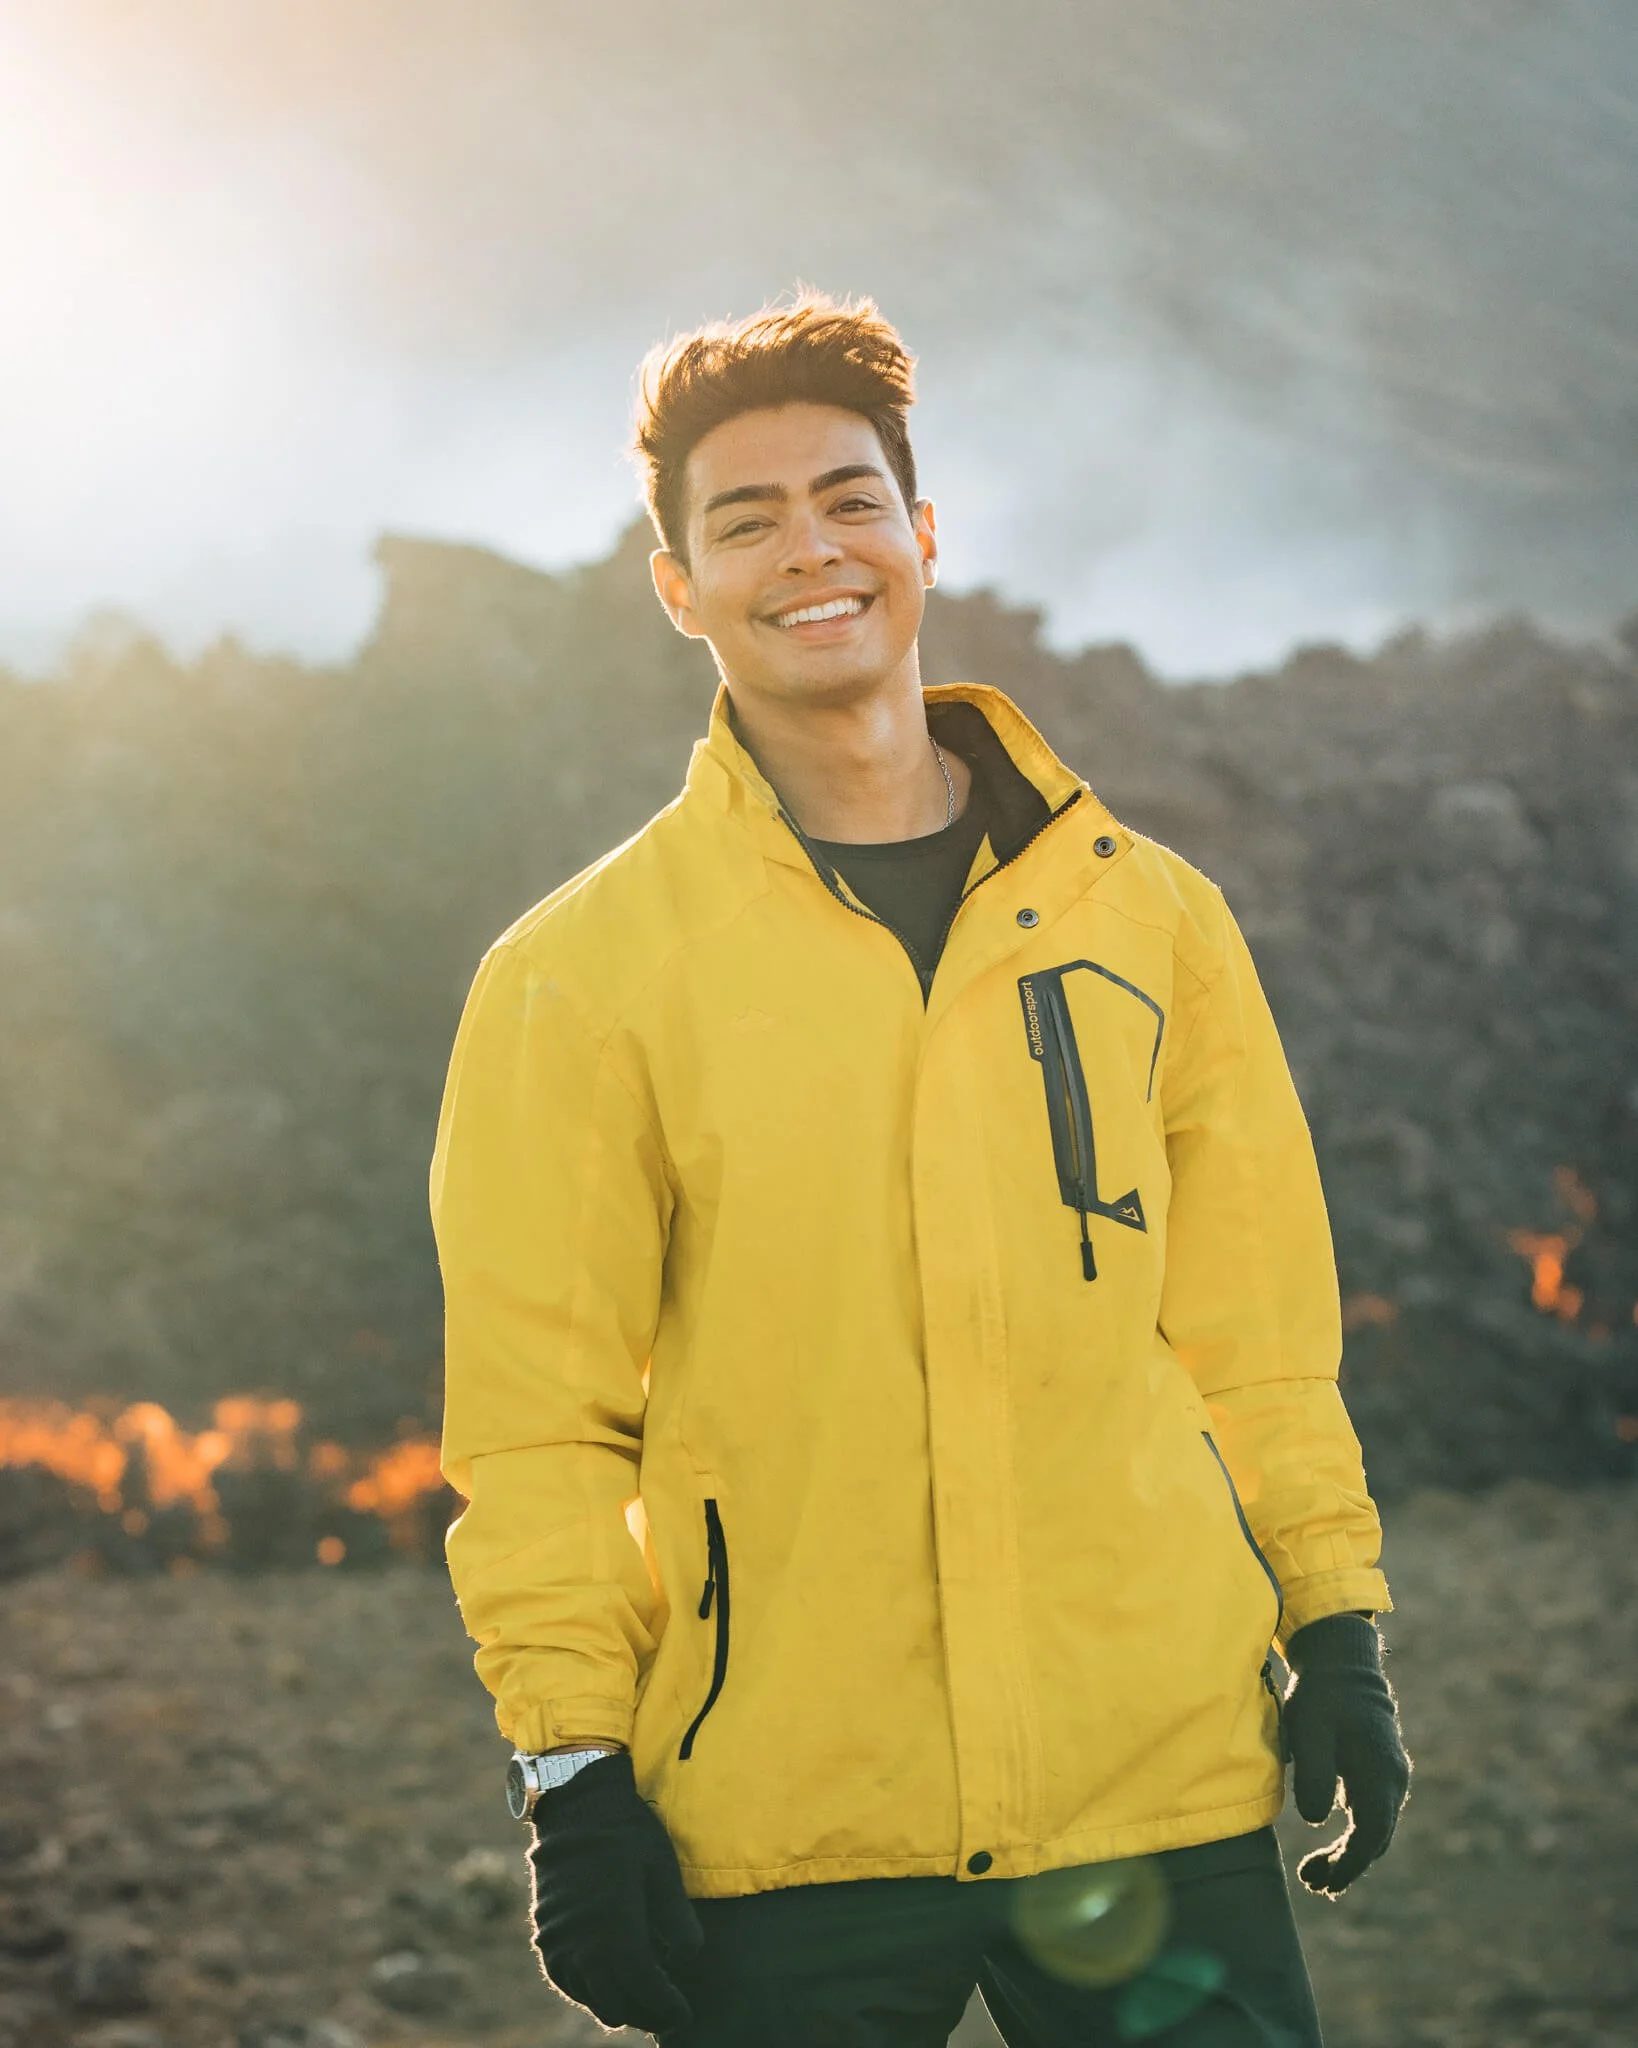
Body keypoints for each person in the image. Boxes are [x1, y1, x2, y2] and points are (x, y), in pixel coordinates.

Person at [430, 293, 1410, 2047]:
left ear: (922, 535)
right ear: (676, 586)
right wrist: (571, 1773)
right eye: (744, 521)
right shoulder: (577, 975)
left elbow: (1255, 1335)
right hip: (785, 1816)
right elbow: (540, 1422)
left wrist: (1334, 1619)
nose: (808, 550)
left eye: (847, 498)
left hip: (1152, 1791)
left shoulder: (1153, 920)